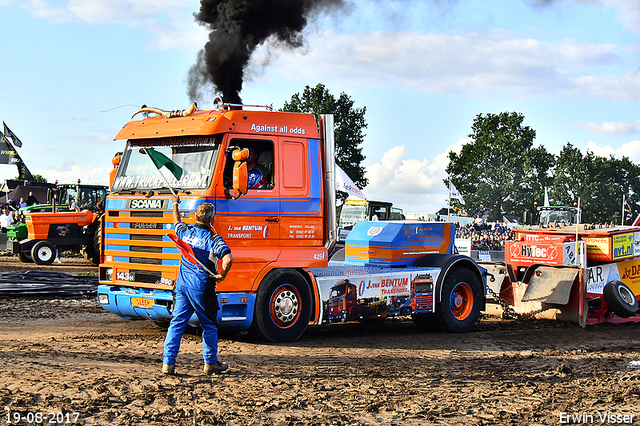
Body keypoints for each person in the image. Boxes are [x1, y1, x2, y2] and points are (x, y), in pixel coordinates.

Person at [162, 196, 233, 376]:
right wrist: (222, 275)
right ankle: (210, 363)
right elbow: (228, 258)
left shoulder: (186, 231)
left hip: (183, 285)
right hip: (201, 287)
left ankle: (168, 364)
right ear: (211, 219)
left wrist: (175, 204)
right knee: (208, 325)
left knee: (177, 323)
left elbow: (176, 221)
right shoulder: (214, 239)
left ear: (196, 217)